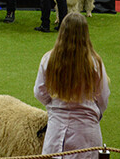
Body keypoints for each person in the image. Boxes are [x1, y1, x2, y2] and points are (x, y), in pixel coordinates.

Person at [34, 13, 109, 159]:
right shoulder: (95, 62)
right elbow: (103, 97)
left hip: (56, 129)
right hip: (87, 132)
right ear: (85, 33)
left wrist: (54, 105)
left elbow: (39, 91)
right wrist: (93, 113)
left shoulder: (48, 59)